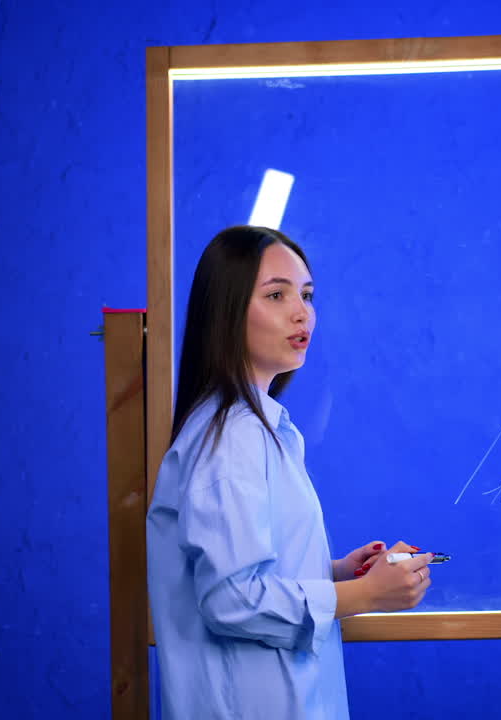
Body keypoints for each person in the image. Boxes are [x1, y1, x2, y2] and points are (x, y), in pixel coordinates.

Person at [146, 225, 435, 719]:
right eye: (276, 295)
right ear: (227, 310)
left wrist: (337, 573)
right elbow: (230, 599)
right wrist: (361, 594)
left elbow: (238, 572)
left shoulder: (256, 427)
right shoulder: (232, 434)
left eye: (306, 295)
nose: (301, 312)